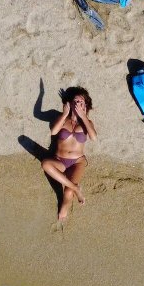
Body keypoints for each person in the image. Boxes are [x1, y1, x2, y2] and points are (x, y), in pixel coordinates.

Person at [41, 87, 97, 221]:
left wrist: (83, 117)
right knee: (45, 164)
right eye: (75, 101)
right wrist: (65, 114)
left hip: (77, 161)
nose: (78, 103)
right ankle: (76, 189)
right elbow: (53, 132)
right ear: (70, 104)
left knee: (67, 191)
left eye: (81, 102)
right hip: (59, 160)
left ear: (85, 105)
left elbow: (94, 137)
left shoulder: (87, 123)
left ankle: (65, 206)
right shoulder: (63, 119)